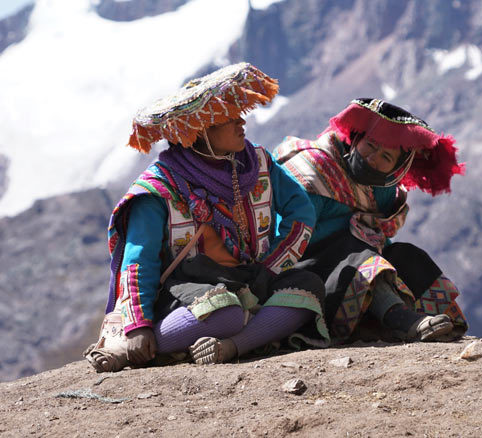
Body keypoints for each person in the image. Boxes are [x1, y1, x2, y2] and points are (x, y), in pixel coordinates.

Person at [86, 63, 328, 372]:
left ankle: (229, 347)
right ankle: (139, 347)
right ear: (198, 132)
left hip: (250, 277)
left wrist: (270, 268)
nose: (241, 123)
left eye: (239, 114)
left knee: (308, 287)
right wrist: (138, 326)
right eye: (228, 119)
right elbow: (139, 259)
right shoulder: (159, 189)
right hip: (181, 289)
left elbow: (301, 212)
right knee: (224, 311)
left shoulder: (258, 164)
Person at [275, 98, 468, 343]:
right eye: (371, 145)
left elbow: (379, 239)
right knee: (356, 252)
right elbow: (287, 240)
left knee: (404, 254)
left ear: (397, 169)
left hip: (352, 267)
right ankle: (401, 321)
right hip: (301, 274)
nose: (372, 158)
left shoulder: (384, 191)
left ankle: (444, 322)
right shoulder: (315, 171)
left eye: (386, 156)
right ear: (356, 138)